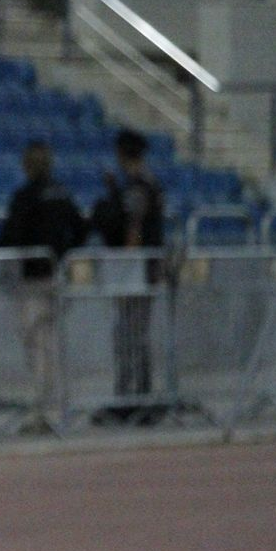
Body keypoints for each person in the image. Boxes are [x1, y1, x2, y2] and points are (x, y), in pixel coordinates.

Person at [0, 141, 86, 427]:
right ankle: (55, 406)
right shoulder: (62, 192)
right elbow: (81, 229)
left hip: (33, 279)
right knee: (52, 342)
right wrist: (64, 254)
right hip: (56, 275)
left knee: (36, 342)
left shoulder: (26, 196)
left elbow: (9, 235)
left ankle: (44, 409)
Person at [90, 129, 166, 417]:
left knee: (130, 334)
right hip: (145, 268)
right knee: (134, 334)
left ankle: (132, 398)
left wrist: (126, 269)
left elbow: (134, 229)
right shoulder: (147, 183)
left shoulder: (138, 186)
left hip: (136, 271)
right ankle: (136, 395)